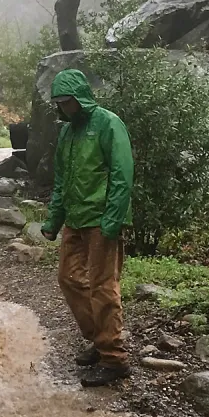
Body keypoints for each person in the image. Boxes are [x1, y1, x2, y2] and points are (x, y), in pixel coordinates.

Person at [40, 68, 133, 387]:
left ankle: (114, 358)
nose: (65, 107)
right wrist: (53, 219)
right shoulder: (67, 133)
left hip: (102, 218)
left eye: (69, 101)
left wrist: (113, 220)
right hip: (75, 219)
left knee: (103, 286)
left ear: (80, 98)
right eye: (60, 103)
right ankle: (99, 337)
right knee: (68, 278)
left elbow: (123, 175)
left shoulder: (109, 123)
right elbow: (62, 180)